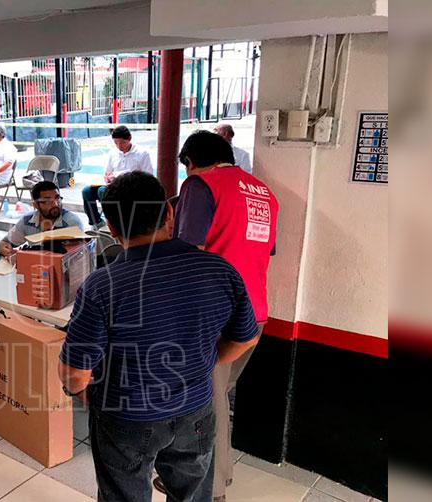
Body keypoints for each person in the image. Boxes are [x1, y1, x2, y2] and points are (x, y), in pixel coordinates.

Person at [59, 171, 260, 502]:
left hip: (126, 416)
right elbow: (246, 338)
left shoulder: (102, 286)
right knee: (192, 495)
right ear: (169, 212)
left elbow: (75, 373)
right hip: (196, 409)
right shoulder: (218, 269)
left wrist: (78, 390)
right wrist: (202, 365)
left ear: (111, 228)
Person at [168, 130, 279, 502]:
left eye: (186, 168)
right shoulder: (264, 193)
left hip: (212, 315)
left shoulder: (201, 185)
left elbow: (188, 251)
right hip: (255, 314)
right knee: (218, 396)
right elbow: (265, 250)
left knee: (209, 406)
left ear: (191, 162)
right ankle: (218, 474)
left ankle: (211, 490)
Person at [82, 125, 153, 227]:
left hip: (131, 188)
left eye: (122, 142)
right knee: (86, 191)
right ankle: (96, 222)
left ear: (129, 139)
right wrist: (108, 178)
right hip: (113, 185)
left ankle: (113, 223)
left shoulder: (142, 154)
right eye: (116, 143)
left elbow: (148, 177)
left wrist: (120, 175)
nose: (119, 146)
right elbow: (107, 172)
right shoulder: (113, 153)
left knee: (103, 191)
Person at [0, 181, 85, 257]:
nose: (55, 204)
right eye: (48, 201)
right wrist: (3, 248)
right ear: (35, 205)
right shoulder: (27, 221)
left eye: (57, 198)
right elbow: (6, 242)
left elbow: (76, 258)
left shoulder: (72, 223)